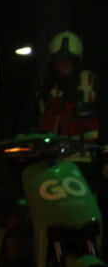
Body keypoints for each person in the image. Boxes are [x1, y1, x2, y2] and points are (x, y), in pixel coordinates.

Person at [35, 29, 106, 194]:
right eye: (59, 58)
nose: (63, 63)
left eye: (68, 58)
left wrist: (105, 158)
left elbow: (106, 122)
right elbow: (32, 120)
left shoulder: (94, 83)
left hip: (85, 164)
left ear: (76, 60)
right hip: (47, 163)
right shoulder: (43, 86)